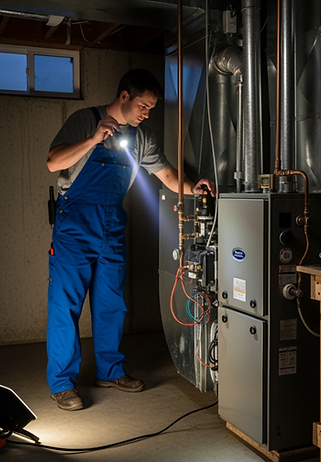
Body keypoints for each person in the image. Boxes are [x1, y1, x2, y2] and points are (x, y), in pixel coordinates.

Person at [46, 68, 215, 411]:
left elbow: (166, 174)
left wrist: (192, 188)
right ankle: (62, 384)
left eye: (150, 108)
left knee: (111, 305)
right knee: (65, 306)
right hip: (75, 225)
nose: (146, 113)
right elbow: (53, 162)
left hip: (111, 227)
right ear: (124, 97)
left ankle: (110, 371)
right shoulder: (85, 120)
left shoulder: (141, 137)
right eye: (143, 106)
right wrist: (93, 139)